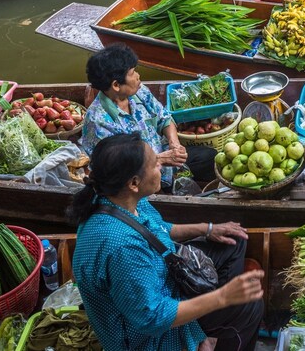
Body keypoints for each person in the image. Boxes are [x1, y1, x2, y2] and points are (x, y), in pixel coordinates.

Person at [69, 133, 264, 351]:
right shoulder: (123, 247)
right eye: (155, 164)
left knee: (233, 240)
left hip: (163, 276)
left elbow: (158, 230)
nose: (161, 166)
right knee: (250, 307)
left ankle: (212, 324)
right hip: (148, 336)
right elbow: (152, 318)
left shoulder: (118, 198)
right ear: (134, 182)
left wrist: (208, 229)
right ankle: (211, 331)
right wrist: (222, 298)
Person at [81, 43, 217, 188]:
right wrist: (160, 160)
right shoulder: (98, 122)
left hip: (165, 158)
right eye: (133, 73)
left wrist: (174, 143)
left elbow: (164, 117)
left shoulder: (139, 92)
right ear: (116, 85)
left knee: (210, 158)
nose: (138, 76)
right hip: (136, 181)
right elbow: (117, 169)